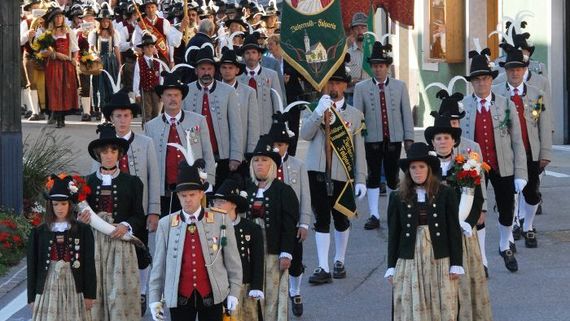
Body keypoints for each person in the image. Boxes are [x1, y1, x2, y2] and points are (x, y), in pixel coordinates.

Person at [93, 88, 161, 315]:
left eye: (126, 115)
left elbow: (154, 177)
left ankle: (141, 291)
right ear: (111, 118)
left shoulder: (145, 142)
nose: (122, 120)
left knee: (140, 250)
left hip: (137, 208)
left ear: (132, 117)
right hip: (112, 209)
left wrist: (153, 210)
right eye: (117, 116)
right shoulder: (103, 147)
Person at [147, 160, 242, 321]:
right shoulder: (166, 224)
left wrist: (234, 292)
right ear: (177, 196)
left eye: (192, 194)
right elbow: (159, 266)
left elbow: (233, 262)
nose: (188, 199)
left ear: (201, 194)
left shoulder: (221, 219)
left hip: (212, 294)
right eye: (183, 195)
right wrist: (155, 298)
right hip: (180, 297)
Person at [460, 46, 527, 272]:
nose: (481, 83)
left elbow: (517, 142)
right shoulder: (464, 107)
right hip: (474, 168)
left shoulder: (505, 104)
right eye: (477, 79)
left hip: (503, 165)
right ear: (472, 82)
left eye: (485, 78)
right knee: (478, 213)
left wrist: (521, 173)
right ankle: (482, 259)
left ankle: (504, 243)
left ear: (491, 80)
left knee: (507, 210)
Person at [301, 59, 367, 284]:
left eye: (338, 83)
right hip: (317, 171)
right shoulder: (313, 108)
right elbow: (305, 135)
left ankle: (339, 260)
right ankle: (323, 266)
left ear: (345, 86)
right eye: (330, 82)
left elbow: (359, 150)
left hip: (342, 173)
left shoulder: (355, 115)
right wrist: (319, 111)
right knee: (321, 219)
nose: (334, 87)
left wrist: (361, 179)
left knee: (341, 218)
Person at [425, 111, 493, 321]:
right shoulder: (425, 168)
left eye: (446, 137)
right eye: (438, 138)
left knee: (461, 282)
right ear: (433, 142)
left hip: (461, 233)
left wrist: (467, 223)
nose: (443, 142)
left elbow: (477, 198)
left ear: (454, 141)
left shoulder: (466, 165)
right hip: (433, 234)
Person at [385, 142, 464, 321]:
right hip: (409, 256)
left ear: (429, 169)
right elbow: (394, 235)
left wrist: (456, 263)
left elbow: (453, 231)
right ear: (408, 171)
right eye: (413, 167)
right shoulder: (397, 197)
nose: (417, 171)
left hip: (439, 256)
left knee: (443, 304)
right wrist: (390, 266)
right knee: (410, 304)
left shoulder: (446, 193)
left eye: (421, 166)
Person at [78, 123, 146, 320]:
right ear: (98, 154)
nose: (109, 155)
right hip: (94, 244)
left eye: (113, 150)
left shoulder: (133, 182)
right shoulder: (86, 182)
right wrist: (81, 220)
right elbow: (79, 217)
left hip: (121, 243)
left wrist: (125, 225)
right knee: (96, 290)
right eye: (104, 151)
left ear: (119, 153)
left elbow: (138, 215)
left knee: (120, 293)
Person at [492, 44, 552, 249]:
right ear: (505, 71)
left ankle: (528, 225)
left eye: (518, 69)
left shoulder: (537, 94)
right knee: (510, 194)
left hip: (530, 151)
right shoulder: (496, 93)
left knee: (532, 193)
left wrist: (545, 153)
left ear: (525, 70)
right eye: (511, 69)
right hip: (505, 153)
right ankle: (513, 228)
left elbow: (543, 123)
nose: (515, 72)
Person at [354, 40, 415, 230]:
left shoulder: (399, 86)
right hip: (372, 139)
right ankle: (374, 214)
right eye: (374, 66)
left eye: (381, 66)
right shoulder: (361, 88)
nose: (378, 70)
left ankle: (394, 212)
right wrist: (359, 137)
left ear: (387, 67)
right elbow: (357, 116)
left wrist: (409, 137)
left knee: (392, 176)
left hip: (394, 138)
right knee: (372, 176)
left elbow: (406, 113)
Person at [433, 88, 490, 276]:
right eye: (449, 122)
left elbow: (479, 179)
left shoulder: (471, 147)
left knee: (476, 224)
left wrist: (483, 208)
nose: (452, 125)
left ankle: (483, 259)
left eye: (455, 122)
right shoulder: (433, 149)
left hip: (467, 201)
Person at [145, 70, 216, 216]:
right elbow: (148, 164)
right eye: (169, 95)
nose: (173, 99)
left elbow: (208, 154)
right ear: (162, 98)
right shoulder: (151, 126)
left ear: (182, 97)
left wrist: (209, 182)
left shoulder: (198, 121)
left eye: (176, 95)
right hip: (165, 191)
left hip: (193, 189)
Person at [244, 135, 299, 321]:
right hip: (251, 253)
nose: (260, 164)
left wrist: (286, 253)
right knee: (251, 294)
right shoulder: (246, 189)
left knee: (273, 296)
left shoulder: (283, 191)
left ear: (272, 165)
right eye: (256, 160)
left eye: (264, 160)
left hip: (274, 253)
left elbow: (289, 226)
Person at [27, 175, 96, 321]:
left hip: (73, 283)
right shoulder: (39, 232)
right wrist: (31, 298)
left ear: (70, 205)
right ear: (50, 205)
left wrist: (90, 295)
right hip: (47, 284)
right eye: (56, 204)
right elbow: (32, 266)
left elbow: (89, 265)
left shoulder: (82, 230)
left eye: (63, 204)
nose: (60, 208)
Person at [183, 44, 243, 189]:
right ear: (196, 71)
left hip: (221, 155)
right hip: (194, 155)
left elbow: (236, 126)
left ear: (214, 70)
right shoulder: (186, 91)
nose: (206, 72)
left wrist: (235, 156)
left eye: (209, 68)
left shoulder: (228, 92)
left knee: (219, 195)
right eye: (202, 69)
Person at [269, 116, 311, 317]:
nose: (278, 148)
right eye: (275, 144)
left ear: (287, 145)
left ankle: (295, 291)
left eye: (282, 144)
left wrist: (304, 223)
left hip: (292, 222)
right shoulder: (264, 164)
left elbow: (305, 196)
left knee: (295, 261)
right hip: (272, 222)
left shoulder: (298, 165)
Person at [211, 178, 264, 321]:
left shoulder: (251, 229)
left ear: (233, 204)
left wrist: (257, 285)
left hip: (245, 286)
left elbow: (258, 260)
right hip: (220, 287)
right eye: (215, 202)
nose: (216, 205)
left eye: (221, 202)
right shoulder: (209, 227)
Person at [219, 47, 260, 180]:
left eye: (230, 67)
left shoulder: (248, 93)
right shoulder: (215, 92)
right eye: (224, 67)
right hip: (220, 153)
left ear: (237, 70)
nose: (227, 71)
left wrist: (251, 153)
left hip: (242, 153)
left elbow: (253, 126)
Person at [238, 34, 284, 135]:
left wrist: (278, 127)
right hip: (244, 130)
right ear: (243, 56)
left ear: (259, 55)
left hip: (266, 129)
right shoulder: (238, 79)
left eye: (254, 52)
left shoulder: (271, 75)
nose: (251, 56)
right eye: (247, 53)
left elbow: (277, 103)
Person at [43, 6, 79, 128]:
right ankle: (57, 116)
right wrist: (54, 54)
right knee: (55, 90)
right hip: (53, 65)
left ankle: (62, 117)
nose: (59, 19)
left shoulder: (69, 32)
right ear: (53, 19)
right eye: (56, 17)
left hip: (67, 65)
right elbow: (43, 51)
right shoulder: (48, 34)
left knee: (66, 90)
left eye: (60, 16)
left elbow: (75, 49)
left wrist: (74, 59)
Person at [89, 4, 122, 116]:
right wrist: (94, 56)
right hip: (98, 62)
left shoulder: (114, 33)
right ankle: (100, 108)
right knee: (99, 85)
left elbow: (116, 49)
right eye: (103, 21)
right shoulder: (94, 33)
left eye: (107, 21)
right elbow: (91, 48)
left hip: (110, 61)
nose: (105, 23)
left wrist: (119, 64)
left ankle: (110, 108)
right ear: (100, 22)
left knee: (110, 84)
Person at [133, 0, 183, 66]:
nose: (150, 10)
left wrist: (171, 60)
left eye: (152, 7)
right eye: (148, 7)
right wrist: (148, 49)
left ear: (156, 8)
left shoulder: (164, 22)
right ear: (145, 10)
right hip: (146, 59)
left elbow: (170, 42)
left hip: (162, 58)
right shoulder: (140, 25)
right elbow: (136, 45)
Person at [133, 33, 163, 122]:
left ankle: (154, 131)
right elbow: (136, 77)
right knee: (147, 111)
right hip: (145, 90)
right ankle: (147, 130)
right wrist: (137, 93)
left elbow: (161, 78)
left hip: (156, 90)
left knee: (156, 111)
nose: (149, 49)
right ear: (143, 49)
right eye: (146, 47)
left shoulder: (158, 62)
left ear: (154, 48)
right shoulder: (140, 62)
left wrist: (161, 91)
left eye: (151, 46)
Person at [346, 12, 371, 105]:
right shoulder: (347, 53)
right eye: (357, 28)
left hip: (372, 96)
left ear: (368, 29)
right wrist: (352, 82)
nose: (360, 31)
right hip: (353, 97)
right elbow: (343, 78)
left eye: (363, 27)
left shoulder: (374, 51)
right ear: (352, 31)